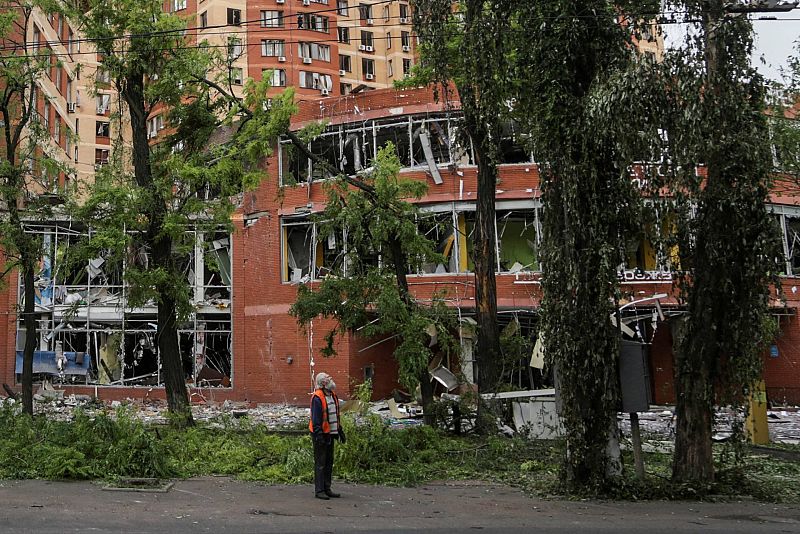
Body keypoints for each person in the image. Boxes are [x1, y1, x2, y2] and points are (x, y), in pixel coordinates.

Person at [309, 372, 346, 500]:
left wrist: (339, 431)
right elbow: (316, 420)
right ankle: (319, 490)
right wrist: (319, 436)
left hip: (330, 434)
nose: (330, 379)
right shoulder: (317, 397)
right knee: (320, 463)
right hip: (321, 435)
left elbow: (334, 415)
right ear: (323, 383)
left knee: (329, 462)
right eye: (327, 378)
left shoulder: (333, 396)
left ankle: (327, 488)